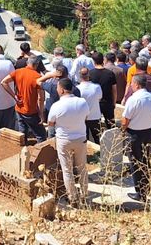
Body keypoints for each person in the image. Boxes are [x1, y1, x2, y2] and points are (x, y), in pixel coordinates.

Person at [48, 78, 90, 206]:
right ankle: (85, 195)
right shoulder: (82, 102)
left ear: (61, 89)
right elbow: (86, 116)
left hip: (64, 140)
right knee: (82, 168)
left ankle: (73, 198)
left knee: (67, 170)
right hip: (80, 138)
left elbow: (50, 123)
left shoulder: (56, 106)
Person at [121, 75, 151, 202]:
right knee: (145, 160)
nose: (131, 85)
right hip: (147, 132)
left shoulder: (133, 99)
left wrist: (122, 131)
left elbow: (125, 120)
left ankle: (140, 193)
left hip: (134, 134)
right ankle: (148, 187)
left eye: (132, 83)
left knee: (136, 163)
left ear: (137, 85)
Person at [1, 56, 47, 144]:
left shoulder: (17, 72)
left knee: (22, 132)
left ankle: (23, 150)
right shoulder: (38, 77)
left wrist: (14, 96)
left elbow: (3, 82)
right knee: (41, 135)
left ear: (27, 63)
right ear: (36, 65)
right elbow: (41, 98)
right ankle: (40, 155)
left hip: (19, 108)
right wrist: (41, 113)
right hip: (31, 111)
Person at [90, 52, 117, 128]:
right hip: (108, 102)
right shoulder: (110, 73)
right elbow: (114, 90)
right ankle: (112, 139)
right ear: (103, 60)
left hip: (95, 103)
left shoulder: (90, 73)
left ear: (93, 61)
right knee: (111, 124)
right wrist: (114, 102)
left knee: (96, 126)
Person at [77, 68, 103, 143]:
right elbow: (99, 98)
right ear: (89, 75)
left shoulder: (77, 89)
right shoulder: (97, 87)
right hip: (95, 116)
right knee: (98, 139)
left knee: (85, 139)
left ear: (80, 76)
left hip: (82, 118)